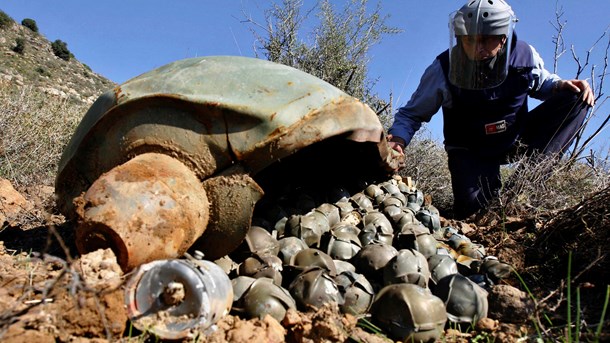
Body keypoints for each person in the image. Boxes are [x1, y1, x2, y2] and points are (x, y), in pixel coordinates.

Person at [388, 0, 595, 219]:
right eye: (469, 40)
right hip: (471, 149)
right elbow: (411, 113)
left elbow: (541, 82)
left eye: (486, 40)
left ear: (503, 37)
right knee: (475, 215)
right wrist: (398, 140)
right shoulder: (443, 68)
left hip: (514, 138)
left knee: (577, 97)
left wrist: (560, 84)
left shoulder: (524, 55)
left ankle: (522, 189)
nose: (477, 48)